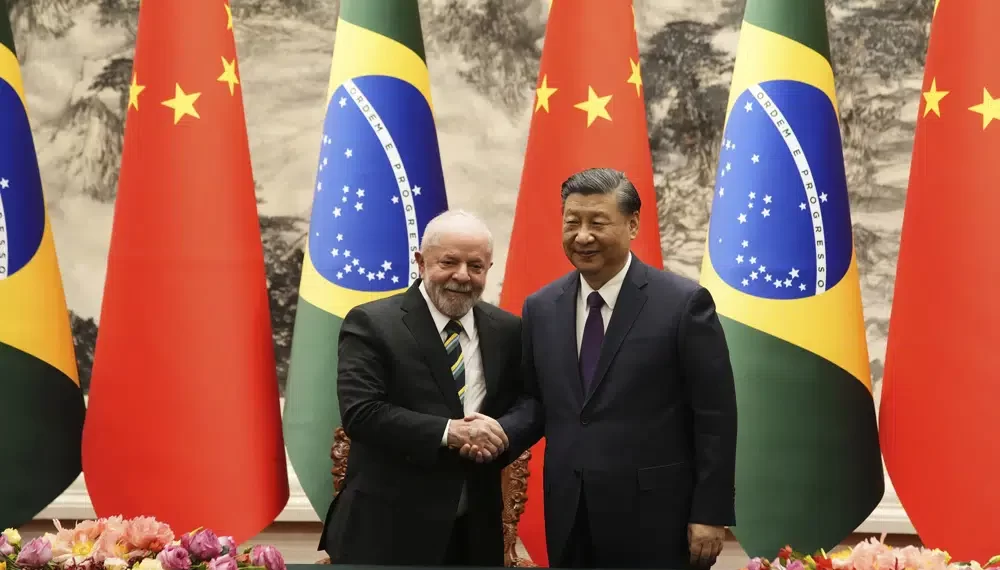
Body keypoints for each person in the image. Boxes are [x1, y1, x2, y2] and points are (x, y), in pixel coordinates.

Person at [501, 167, 738, 569]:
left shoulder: (683, 304)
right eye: (572, 222)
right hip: (569, 513)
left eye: (598, 222)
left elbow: (715, 415)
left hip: (656, 518)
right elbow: (537, 402)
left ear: (632, 224)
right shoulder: (540, 307)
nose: (582, 236)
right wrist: (490, 434)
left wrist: (711, 513)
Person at [319, 210, 538, 566]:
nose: (462, 276)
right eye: (448, 262)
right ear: (421, 262)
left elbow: (532, 402)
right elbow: (361, 413)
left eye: (476, 266)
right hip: (387, 531)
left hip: (475, 533)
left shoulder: (509, 330)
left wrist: (500, 432)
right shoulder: (372, 323)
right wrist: (449, 432)